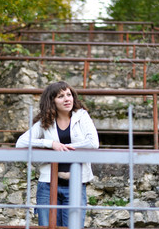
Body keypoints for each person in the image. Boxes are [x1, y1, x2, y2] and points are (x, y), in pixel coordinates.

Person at [16, 81, 99, 227]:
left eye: (69, 95)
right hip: (48, 186)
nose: (67, 99)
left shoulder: (81, 116)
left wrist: (65, 147)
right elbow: (21, 143)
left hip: (75, 185)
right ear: (52, 101)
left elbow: (93, 143)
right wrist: (50, 144)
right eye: (61, 96)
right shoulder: (45, 121)